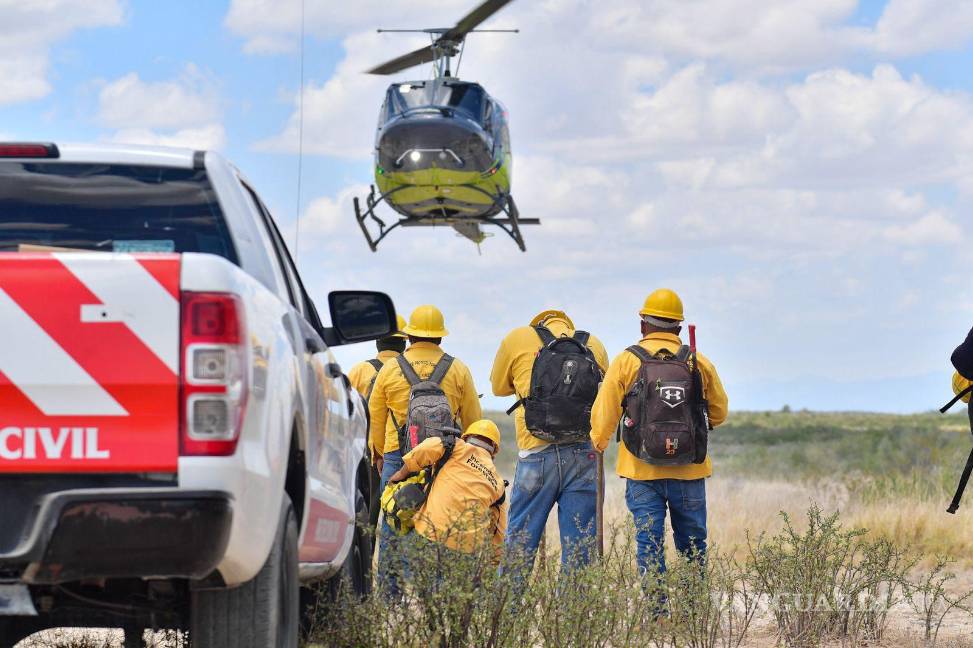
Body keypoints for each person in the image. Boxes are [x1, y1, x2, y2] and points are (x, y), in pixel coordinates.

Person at [589, 289, 728, 581]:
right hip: (689, 470)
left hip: (641, 471)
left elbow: (604, 415)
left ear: (643, 325)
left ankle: (658, 615)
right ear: (678, 328)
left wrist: (598, 442)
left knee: (649, 546)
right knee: (692, 548)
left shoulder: (626, 361)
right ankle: (694, 612)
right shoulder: (697, 362)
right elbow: (719, 413)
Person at [369, 304, 483, 597]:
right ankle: (436, 594)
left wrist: (379, 455)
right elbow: (473, 421)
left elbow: (376, 417)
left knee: (394, 522)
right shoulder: (458, 369)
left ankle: (390, 598)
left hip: (398, 457)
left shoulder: (391, 369)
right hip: (443, 458)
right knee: (441, 525)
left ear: (409, 337)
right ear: (441, 339)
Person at [490, 310, 609, 582]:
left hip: (536, 453)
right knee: (578, 549)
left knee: (519, 544)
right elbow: (605, 395)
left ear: (539, 323)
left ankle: (505, 618)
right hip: (582, 453)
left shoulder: (517, 338)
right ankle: (571, 620)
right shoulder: (595, 345)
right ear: (568, 325)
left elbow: (498, 387)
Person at [386, 419, 507, 557]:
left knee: (410, 563)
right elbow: (498, 531)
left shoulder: (454, 446)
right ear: (493, 448)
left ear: (467, 437)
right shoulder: (498, 483)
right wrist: (492, 562)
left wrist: (401, 474)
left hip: (430, 535)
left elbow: (426, 448)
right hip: (465, 551)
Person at [347, 313, 407, 548]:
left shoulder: (360, 370)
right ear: (404, 343)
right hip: (400, 451)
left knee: (366, 514)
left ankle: (363, 570)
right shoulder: (406, 371)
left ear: (377, 342)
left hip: (364, 451)